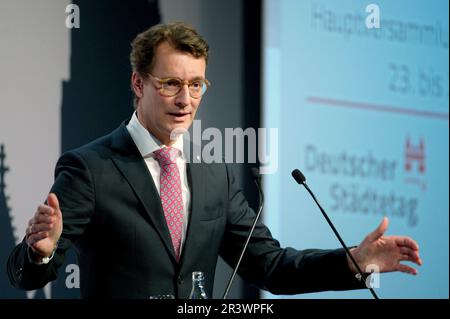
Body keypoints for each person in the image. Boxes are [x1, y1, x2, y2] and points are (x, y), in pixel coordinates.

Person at [7, 22, 422, 298]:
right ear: (138, 83)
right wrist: (41, 251)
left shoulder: (213, 176)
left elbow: (272, 267)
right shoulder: (90, 168)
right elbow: (24, 275)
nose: (186, 100)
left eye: (195, 84)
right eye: (170, 83)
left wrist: (353, 261)